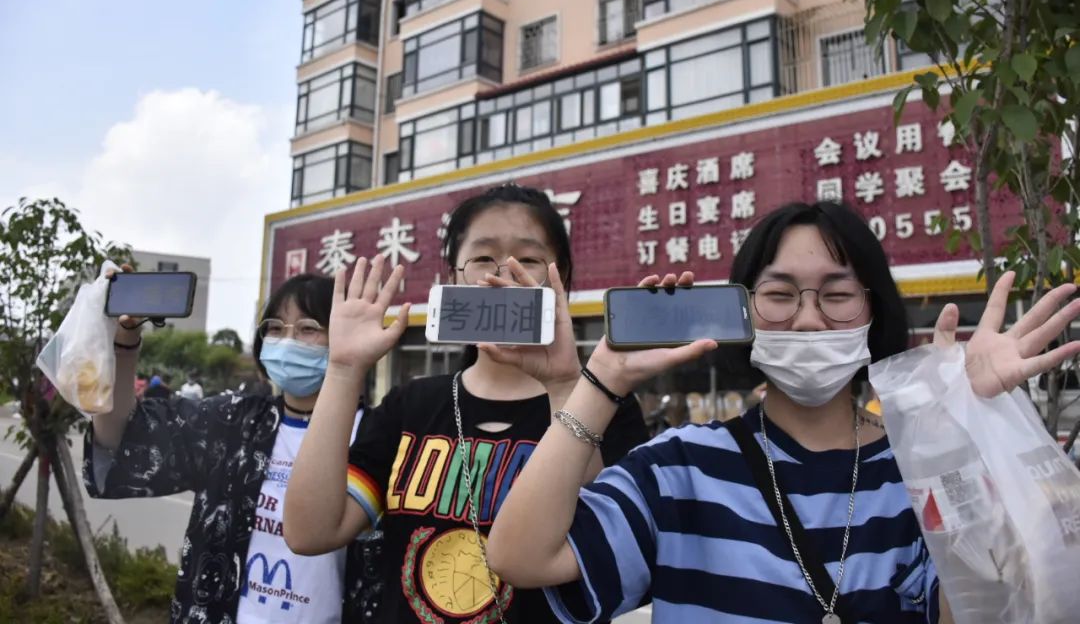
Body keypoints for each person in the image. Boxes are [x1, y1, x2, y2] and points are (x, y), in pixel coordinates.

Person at [485, 201, 1080, 623]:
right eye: (778, 294)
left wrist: (967, 424)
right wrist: (595, 379)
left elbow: (1008, 602)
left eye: (839, 294)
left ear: (874, 311)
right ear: (741, 311)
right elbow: (520, 556)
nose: (808, 318)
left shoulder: (919, 474)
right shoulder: (679, 469)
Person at [285, 183, 649, 623]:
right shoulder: (410, 406)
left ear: (562, 279)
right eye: (482, 258)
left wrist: (564, 387)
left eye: (528, 259)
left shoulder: (606, 405)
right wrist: (343, 370)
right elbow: (310, 532)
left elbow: (600, 543)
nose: (503, 273)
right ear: (454, 277)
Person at [83, 272, 379, 623]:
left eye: (307, 328)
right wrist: (125, 341)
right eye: (275, 328)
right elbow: (123, 437)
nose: (287, 341)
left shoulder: (378, 437)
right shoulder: (231, 421)